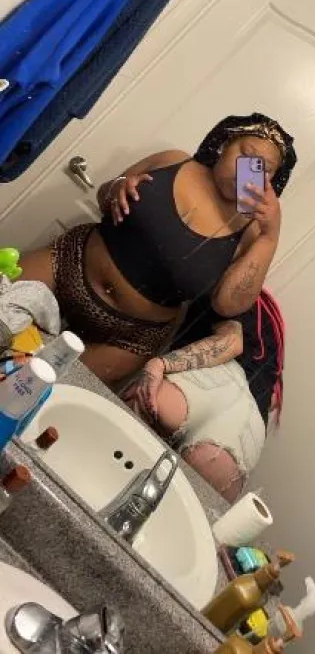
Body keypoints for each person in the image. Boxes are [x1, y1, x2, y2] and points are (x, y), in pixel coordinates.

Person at [20, 113, 296, 385]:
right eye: (246, 154)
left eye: (264, 168)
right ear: (226, 144)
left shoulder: (252, 232)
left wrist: (270, 236)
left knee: (45, 393)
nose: (249, 169)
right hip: (67, 264)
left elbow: (227, 304)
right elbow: (105, 197)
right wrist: (118, 188)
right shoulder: (171, 160)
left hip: (127, 338)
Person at [124, 288, 285, 502]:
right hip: (248, 427)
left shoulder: (231, 289)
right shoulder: (274, 333)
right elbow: (272, 401)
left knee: (116, 462)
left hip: (209, 381)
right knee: (181, 510)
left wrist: (161, 364)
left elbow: (231, 342)